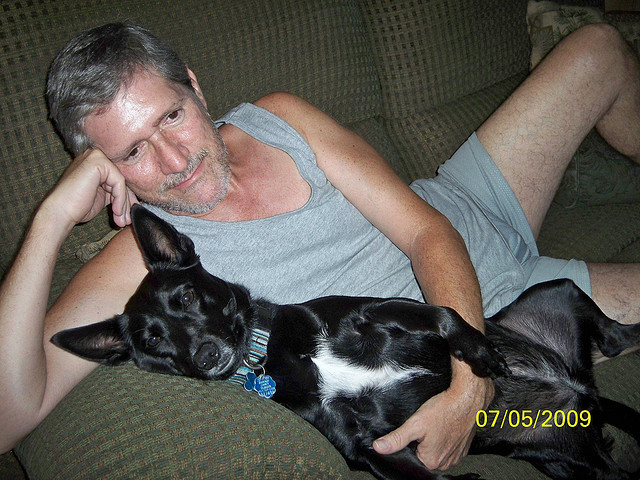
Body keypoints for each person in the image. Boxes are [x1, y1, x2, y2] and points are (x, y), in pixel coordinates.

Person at [0, 21, 639, 473]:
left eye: (172, 116)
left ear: (194, 87)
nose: (175, 159)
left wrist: (471, 383)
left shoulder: (275, 116)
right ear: (103, 170)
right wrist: (51, 219)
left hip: (467, 202)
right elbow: (7, 417)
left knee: (598, 48)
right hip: (506, 312)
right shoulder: (147, 261)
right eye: (133, 151)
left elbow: (425, 230)